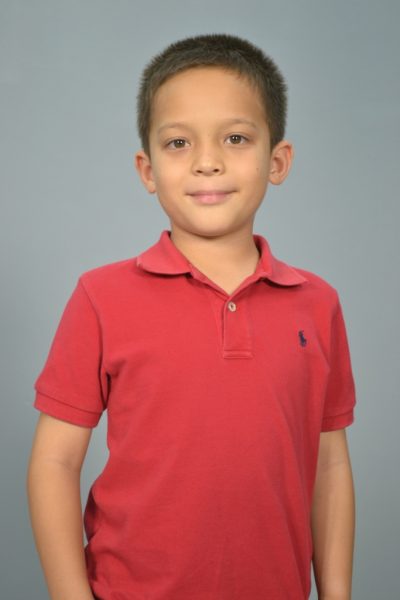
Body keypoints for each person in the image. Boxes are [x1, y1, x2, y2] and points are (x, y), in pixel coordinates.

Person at [26, 33, 357, 600]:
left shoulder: (317, 303)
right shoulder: (101, 297)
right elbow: (54, 463)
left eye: (235, 138)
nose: (208, 162)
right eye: (178, 142)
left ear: (277, 160)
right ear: (147, 169)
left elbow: (329, 467)